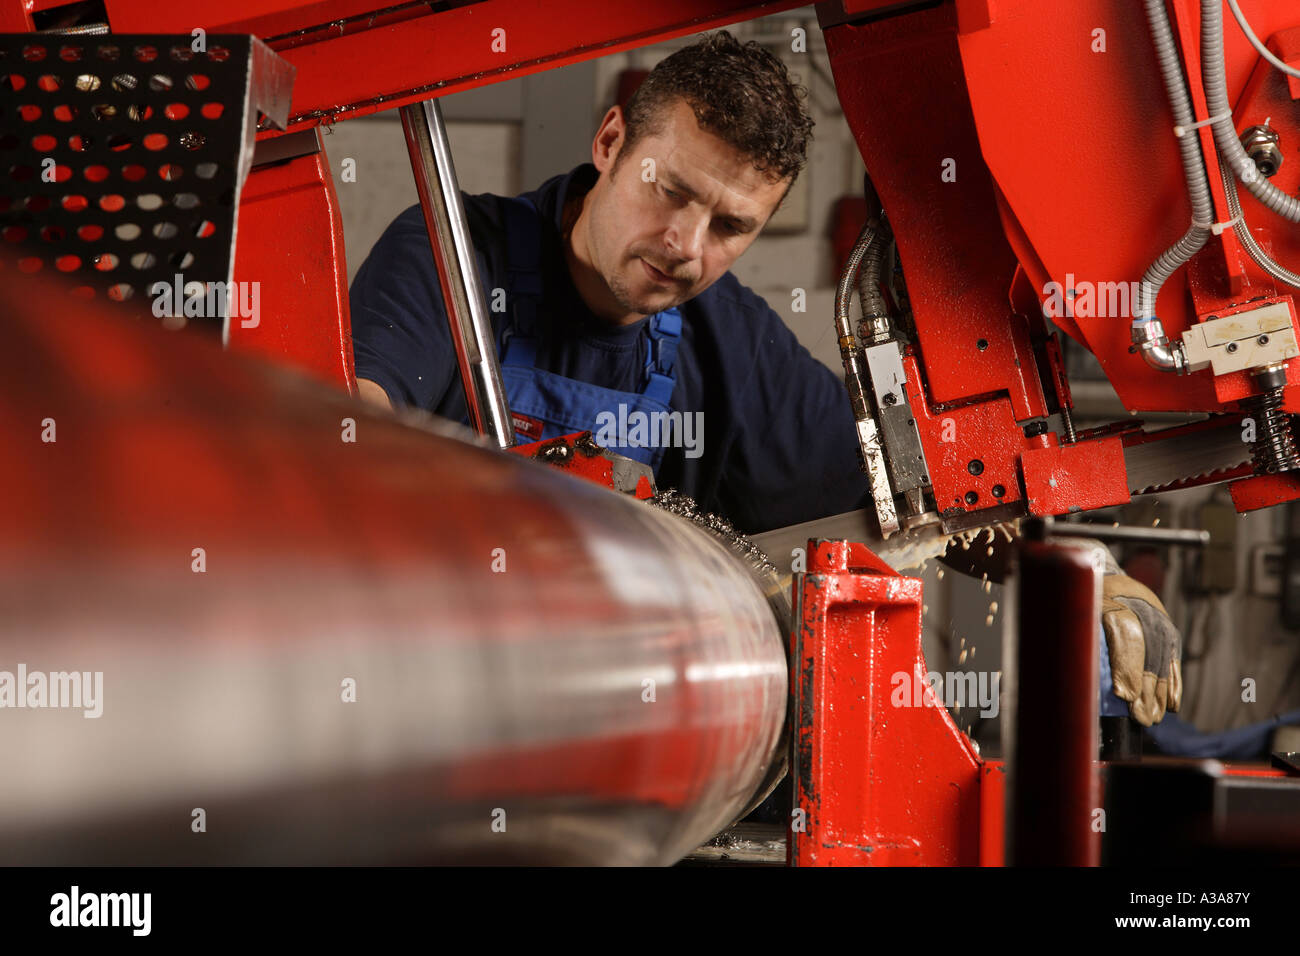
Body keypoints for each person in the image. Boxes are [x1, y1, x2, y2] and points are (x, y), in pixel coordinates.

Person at [348, 30, 869, 535]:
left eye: (730, 227)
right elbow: (349, 432)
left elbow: (889, 481)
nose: (685, 245)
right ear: (610, 143)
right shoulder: (451, 254)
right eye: (669, 190)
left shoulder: (735, 340)